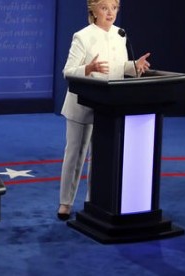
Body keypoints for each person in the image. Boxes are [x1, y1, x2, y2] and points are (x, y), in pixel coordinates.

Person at [57, 0, 151, 220]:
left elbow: (118, 67)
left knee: (101, 156)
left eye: (114, 8)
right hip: (82, 104)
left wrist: (134, 66)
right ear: (93, 10)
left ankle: (93, 201)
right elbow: (68, 71)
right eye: (104, 7)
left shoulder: (120, 34)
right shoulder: (82, 36)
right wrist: (87, 68)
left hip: (109, 106)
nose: (110, 13)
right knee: (76, 154)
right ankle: (65, 203)